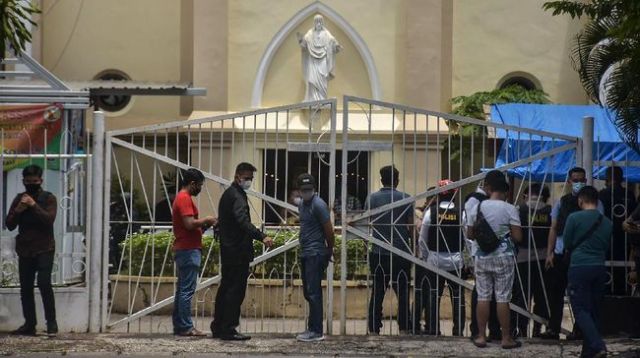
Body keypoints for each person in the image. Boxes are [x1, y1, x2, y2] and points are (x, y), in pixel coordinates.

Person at [211, 162, 273, 340]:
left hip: (229, 250)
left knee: (226, 289)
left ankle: (219, 326)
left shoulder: (229, 194)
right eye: (247, 178)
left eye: (251, 179)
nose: (249, 181)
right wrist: (262, 236)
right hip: (237, 251)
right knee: (235, 291)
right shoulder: (237, 196)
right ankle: (228, 328)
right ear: (238, 176)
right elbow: (242, 221)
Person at [542, 167, 603, 340]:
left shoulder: (595, 204)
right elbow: (553, 228)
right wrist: (550, 253)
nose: (579, 183)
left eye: (582, 180)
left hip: (581, 256)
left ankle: (580, 329)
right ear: (569, 182)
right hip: (561, 254)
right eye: (575, 180)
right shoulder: (562, 202)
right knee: (556, 293)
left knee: (581, 295)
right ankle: (554, 328)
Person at [467, 177, 522, 349]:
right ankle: (506, 338)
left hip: (482, 257)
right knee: (502, 297)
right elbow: (518, 237)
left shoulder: (477, 206)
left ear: (489, 189)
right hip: (503, 257)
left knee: (483, 296)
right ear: (505, 192)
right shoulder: (510, 209)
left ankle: (481, 336)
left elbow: (470, 234)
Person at [5, 165, 58, 337]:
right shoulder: (20, 199)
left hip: (45, 247)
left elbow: (48, 220)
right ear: (23, 182)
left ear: (40, 180)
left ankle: (51, 324)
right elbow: (10, 224)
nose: (31, 184)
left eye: (34, 181)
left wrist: (34, 205)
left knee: (44, 283)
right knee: (26, 288)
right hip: (26, 249)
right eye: (28, 182)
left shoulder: (48, 198)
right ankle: (30, 324)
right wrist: (18, 211)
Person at [564, 186, 612, 358]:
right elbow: (606, 246)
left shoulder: (574, 218)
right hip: (599, 267)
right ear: (597, 201)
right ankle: (589, 351)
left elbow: (567, 242)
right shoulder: (607, 222)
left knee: (580, 309)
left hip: (579, 267)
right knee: (594, 310)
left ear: (580, 200)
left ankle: (598, 346)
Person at [366, 165, 414, 335]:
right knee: (402, 292)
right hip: (401, 252)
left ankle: (373, 327)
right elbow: (410, 226)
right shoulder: (406, 198)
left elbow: (368, 222)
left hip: (378, 251)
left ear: (381, 179)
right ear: (397, 180)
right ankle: (404, 327)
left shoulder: (372, 199)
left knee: (378, 291)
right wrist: (413, 249)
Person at [414, 179, 466, 336]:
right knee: (457, 298)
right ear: (454, 194)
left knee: (433, 296)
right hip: (456, 262)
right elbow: (467, 238)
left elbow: (422, 239)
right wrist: (467, 259)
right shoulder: (461, 212)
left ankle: (433, 329)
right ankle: (458, 331)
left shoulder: (431, 212)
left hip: (435, 261)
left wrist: (425, 257)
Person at [171, 168, 217, 336]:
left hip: (186, 247)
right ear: (192, 184)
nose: (200, 189)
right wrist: (207, 219)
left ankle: (179, 325)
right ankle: (185, 327)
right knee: (186, 290)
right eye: (200, 185)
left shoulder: (182, 197)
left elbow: (188, 227)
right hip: (188, 250)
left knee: (182, 289)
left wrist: (202, 226)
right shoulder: (184, 198)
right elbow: (189, 224)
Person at [295, 174, 335, 342]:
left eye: (309, 190)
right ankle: (312, 327)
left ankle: (316, 331)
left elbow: (329, 230)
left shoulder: (318, 205)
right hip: (306, 253)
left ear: (314, 189)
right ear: (299, 190)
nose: (306, 193)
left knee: (313, 293)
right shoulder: (303, 205)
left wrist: (329, 250)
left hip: (315, 253)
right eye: (303, 190)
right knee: (309, 292)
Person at [465, 170, 504, 340]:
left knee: (493, 293)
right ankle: (478, 330)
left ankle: (493, 329)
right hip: (481, 251)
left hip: (492, 251)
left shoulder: (492, 201)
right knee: (483, 293)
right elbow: (468, 230)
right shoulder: (474, 200)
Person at [512, 183, 551, 338]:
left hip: (522, 258)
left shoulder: (519, 210)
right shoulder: (550, 211)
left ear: (527, 194)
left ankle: (521, 329)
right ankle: (538, 329)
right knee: (542, 296)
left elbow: (514, 234)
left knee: (522, 296)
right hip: (544, 259)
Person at [599, 166, 636, 295]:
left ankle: (606, 309)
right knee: (624, 281)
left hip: (606, 242)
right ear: (622, 178)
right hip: (626, 242)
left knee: (606, 280)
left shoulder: (601, 195)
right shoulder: (629, 195)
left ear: (606, 179)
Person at [297, 14, 342, 101]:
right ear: (314, 23)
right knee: (312, 80)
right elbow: (304, 44)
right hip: (313, 60)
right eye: (317, 22)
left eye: (320, 21)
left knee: (323, 79)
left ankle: (322, 98)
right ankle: (312, 99)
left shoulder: (326, 34)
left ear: (322, 23)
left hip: (323, 60)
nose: (318, 23)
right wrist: (300, 40)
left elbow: (333, 42)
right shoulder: (310, 34)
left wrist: (336, 46)